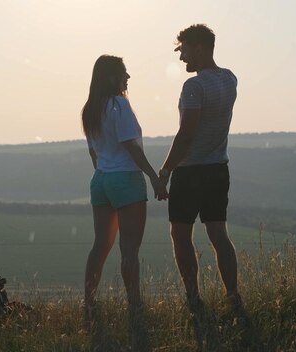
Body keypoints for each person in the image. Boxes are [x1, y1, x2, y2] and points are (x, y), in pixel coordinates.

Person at [158, 24, 243, 344]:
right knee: (219, 234)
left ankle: (194, 298)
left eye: (183, 50)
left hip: (191, 171)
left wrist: (165, 170)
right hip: (219, 168)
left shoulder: (193, 87)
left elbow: (186, 134)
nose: (181, 57)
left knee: (180, 233)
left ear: (198, 47)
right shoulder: (230, 78)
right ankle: (233, 296)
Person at [82, 54, 168, 351]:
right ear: (111, 77)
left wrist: (105, 176)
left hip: (101, 180)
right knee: (129, 250)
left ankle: (89, 304)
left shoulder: (90, 109)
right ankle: (134, 307)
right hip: (126, 180)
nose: (128, 78)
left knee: (100, 246)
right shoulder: (119, 105)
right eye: (123, 73)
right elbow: (131, 146)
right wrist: (154, 178)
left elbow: (94, 154)